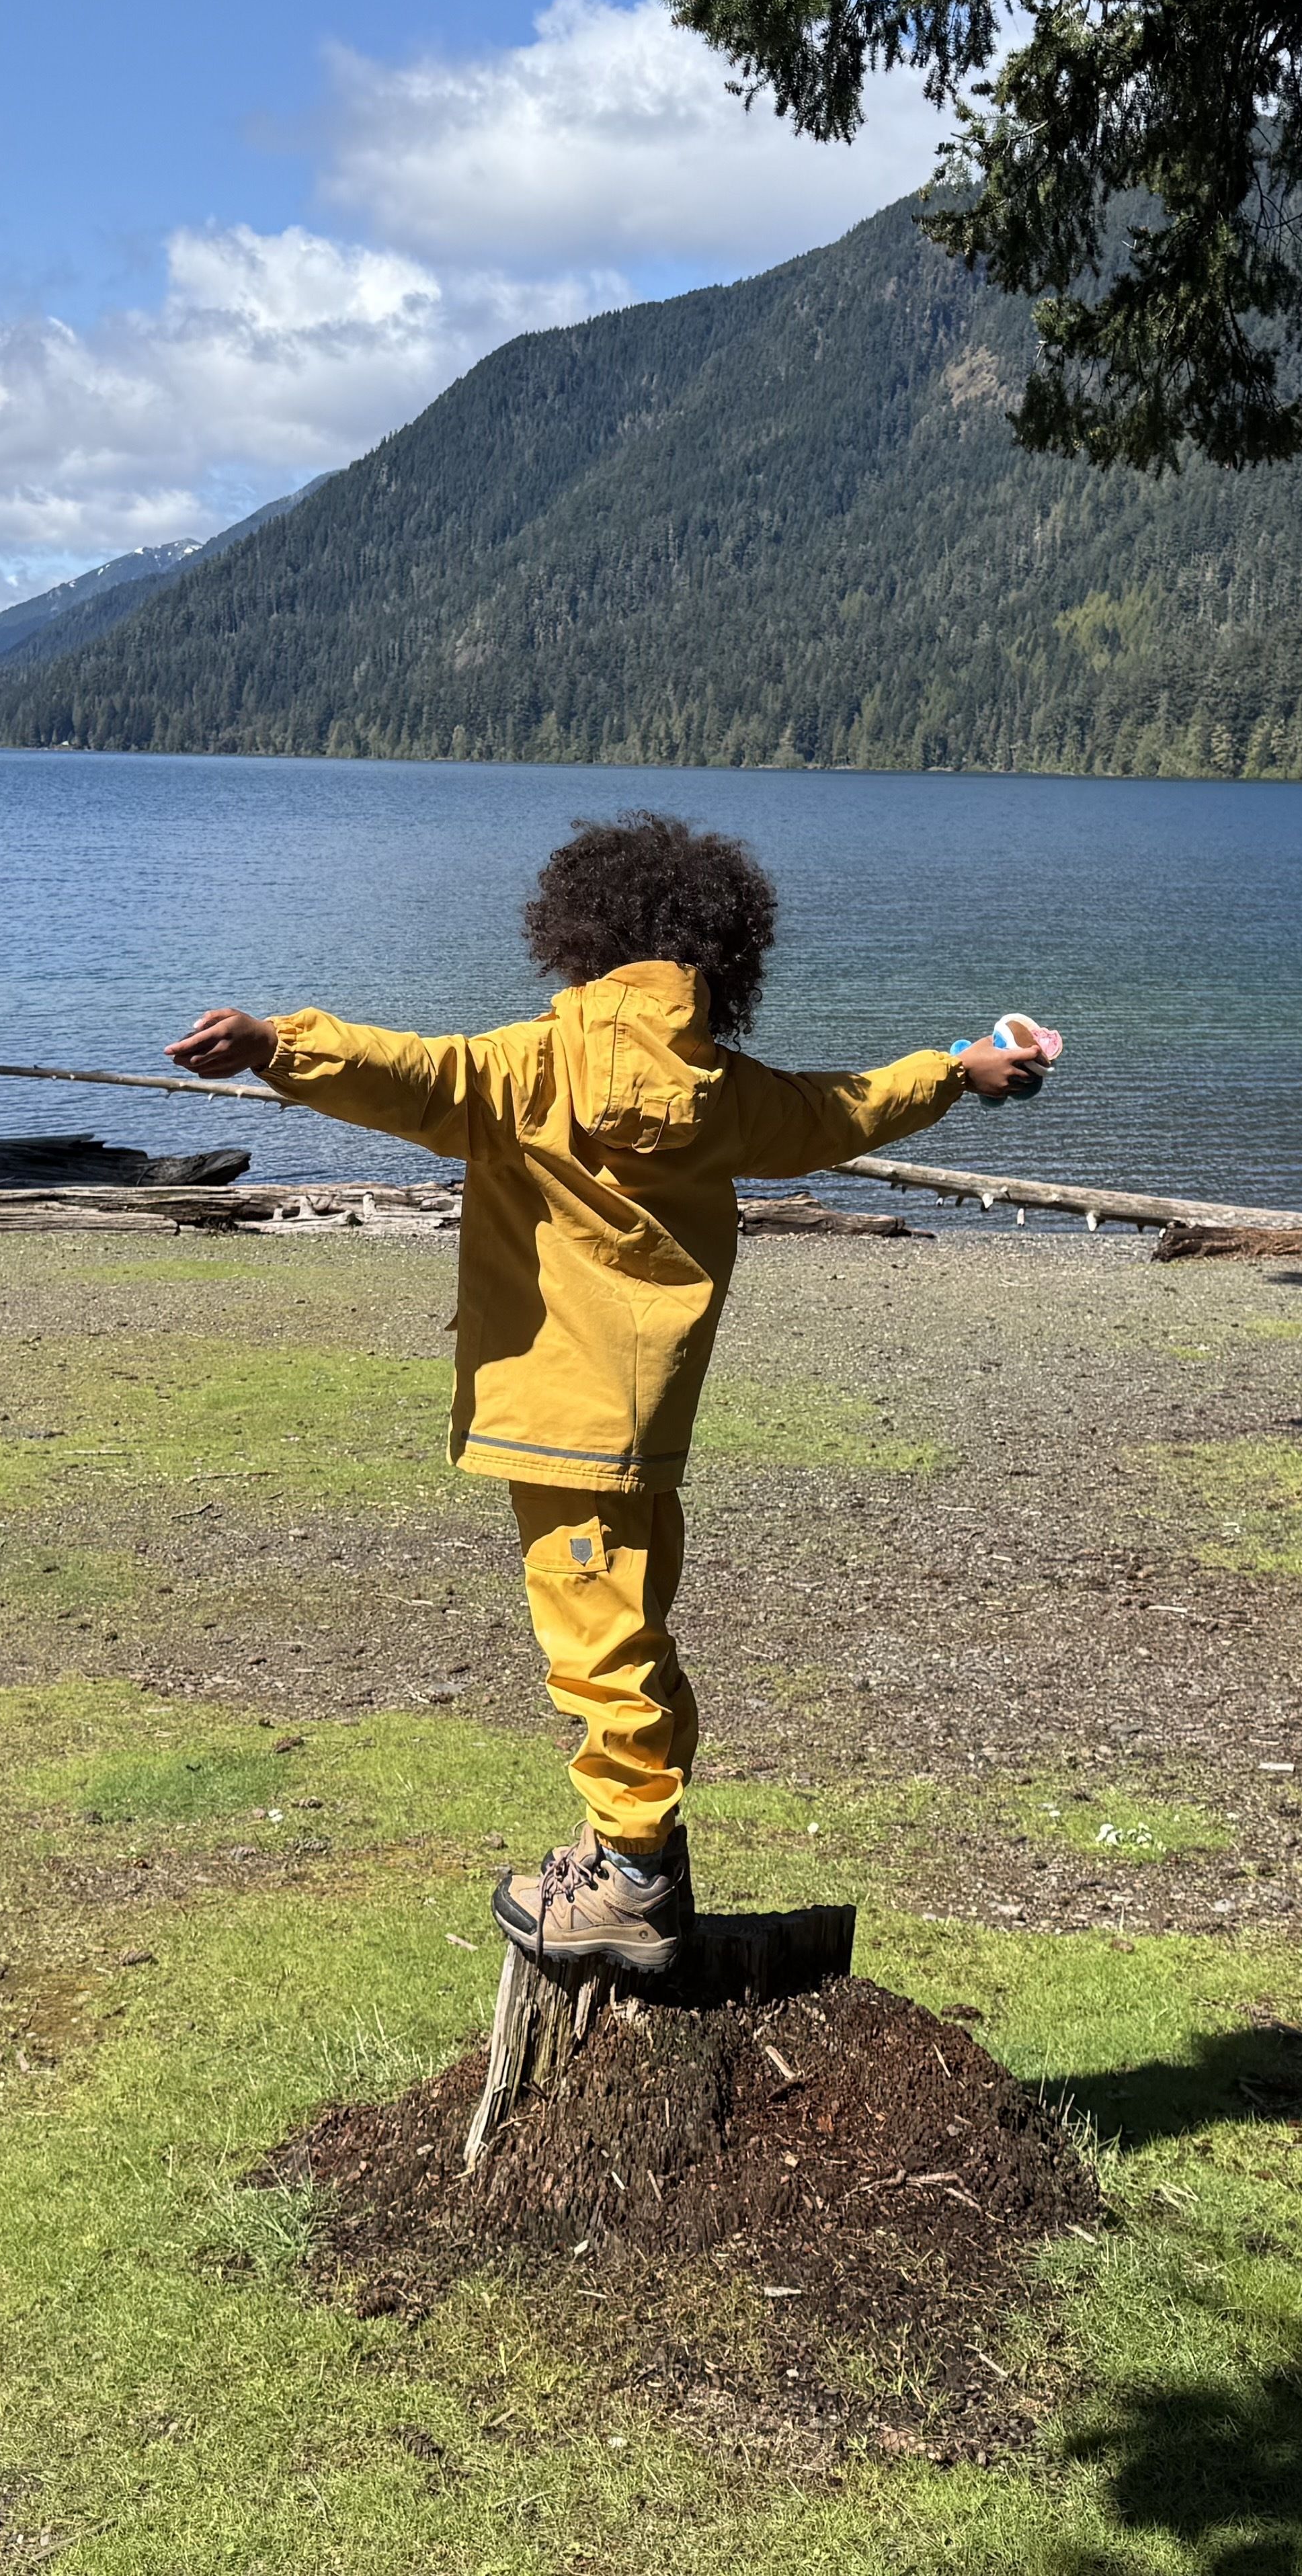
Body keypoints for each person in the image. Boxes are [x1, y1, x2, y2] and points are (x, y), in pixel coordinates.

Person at [168, 810, 1048, 1976]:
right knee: (633, 1629)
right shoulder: (724, 1094)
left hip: (554, 1418)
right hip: (646, 1424)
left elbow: (404, 1072)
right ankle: (629, 1849)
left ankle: (632, 1880)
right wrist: (963, 1067)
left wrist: (280, 1043)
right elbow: (846, 1110)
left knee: (601, 1650)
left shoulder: (523, 1071)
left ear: (579, 940)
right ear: (715, 964)